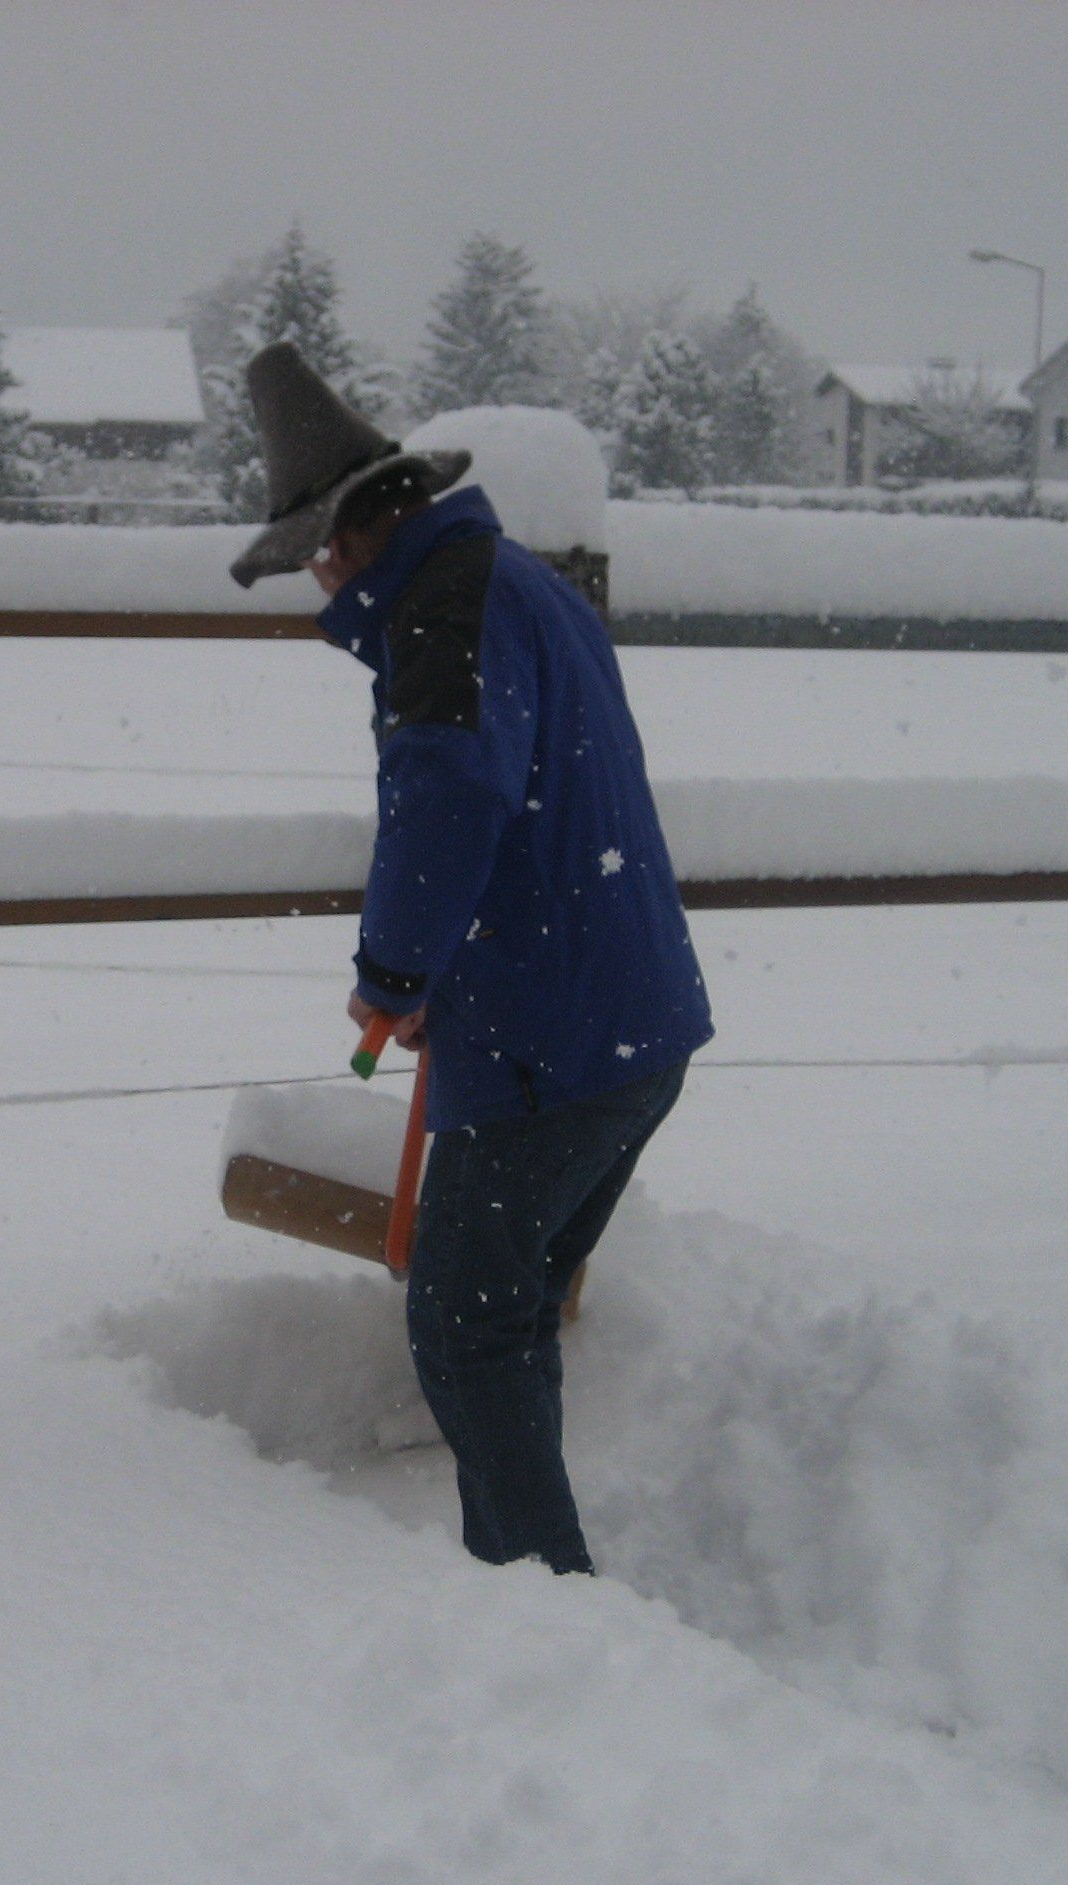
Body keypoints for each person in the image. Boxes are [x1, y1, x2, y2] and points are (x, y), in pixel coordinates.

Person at [230, 343, 713, 1576]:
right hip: (627, 1022)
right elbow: (525, 801)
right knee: (507, 1312)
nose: (316, 581)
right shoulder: (517, 583)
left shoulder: (444, 611)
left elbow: (447, 794)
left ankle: (541, 1596)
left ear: (349, 536)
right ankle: (539, 1590)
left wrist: (392, 974)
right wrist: (438, 974)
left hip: (552, 1042)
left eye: (313, 557)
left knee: (459, 1327)